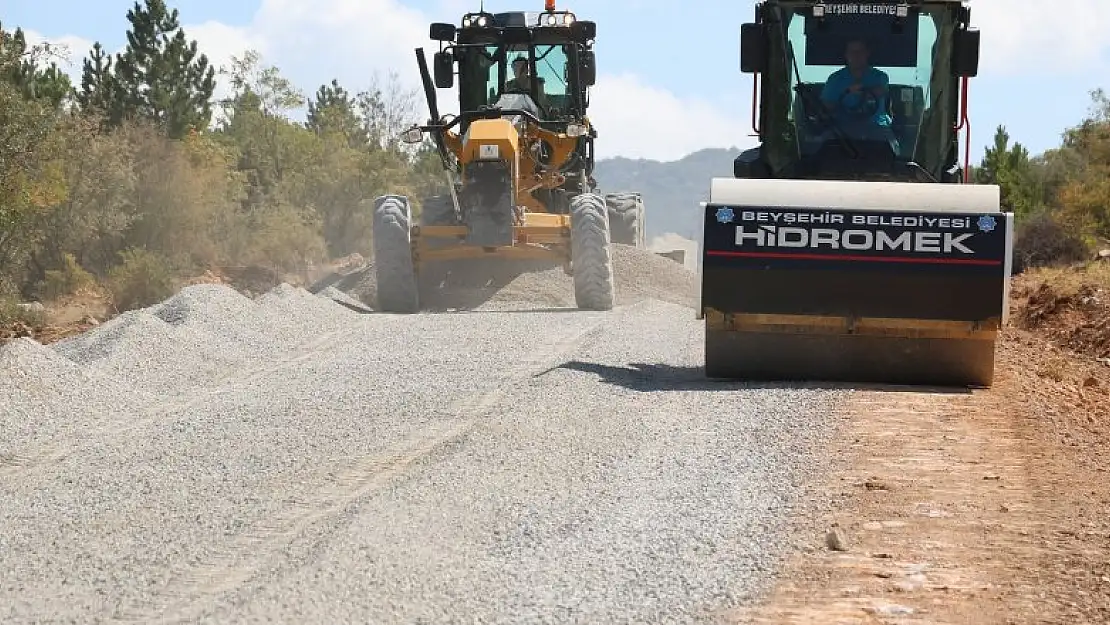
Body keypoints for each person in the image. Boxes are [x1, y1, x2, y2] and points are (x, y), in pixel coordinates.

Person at [820, 38, 893, 130]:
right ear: (846, 55)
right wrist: (844, 93)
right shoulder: (835, 79)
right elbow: (825, 106)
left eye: (860, 51)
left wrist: (864, 91)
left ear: (867, 53)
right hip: (844, 131)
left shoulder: (879, 76)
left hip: (878, 129)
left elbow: (881, 91)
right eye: (852, 52)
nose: (856, 55)